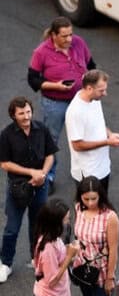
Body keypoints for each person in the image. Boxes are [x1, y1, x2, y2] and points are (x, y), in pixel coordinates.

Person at [27, 17, 96, 191]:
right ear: (53, 35)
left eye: (70, 34)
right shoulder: (41, 52)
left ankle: (87, 175)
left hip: (80, 100)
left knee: (85, 137)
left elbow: (91, 66)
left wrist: (92, 88)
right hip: (55, 102)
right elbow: (33, 79)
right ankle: (48, 177)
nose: (69, 39)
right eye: (64, 36)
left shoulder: (78, 43)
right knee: (51, 139)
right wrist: (56, 86)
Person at [0, 97, 57, 283]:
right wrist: (30, 171)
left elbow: (50, 155)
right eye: (21, 113)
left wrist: (43, 173)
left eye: (28, 112)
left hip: (40, 185)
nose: (26, 116)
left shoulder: (41, 129)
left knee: (38, 225)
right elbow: (4, 164)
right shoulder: (7, 135)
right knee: (12, 227)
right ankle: (5, 264)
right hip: (18, 187)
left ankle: (37, 259)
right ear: (13, 115)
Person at [72, 176, 119, 296]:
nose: (90, 203)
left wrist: (110, 277)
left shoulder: (110, 217)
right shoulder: (78, 209)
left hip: (100, 272)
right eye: (86, 199)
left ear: (101, 195)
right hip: (82, 269)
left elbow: (114, 249)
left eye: (93, 198)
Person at [65, 70, 119, 189]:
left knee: (103, 206)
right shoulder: (75, 111)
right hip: (88, 172)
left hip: (102, 167)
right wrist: (107, 142)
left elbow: (99, 123)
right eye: (101, 90)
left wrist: (110, 134)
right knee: (90, 206)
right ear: (89, 88)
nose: (105, 93)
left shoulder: (94, 100)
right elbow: (77, 145)